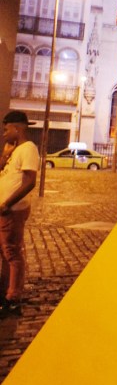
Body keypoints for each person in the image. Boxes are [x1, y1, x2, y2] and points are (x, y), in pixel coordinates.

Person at [0, 110, 39, 317]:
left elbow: (30, 181)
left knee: (12, 254)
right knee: (5, 254)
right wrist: (5, 155)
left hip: (13, 210)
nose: (4, 134)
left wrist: (8, 203)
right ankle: (5, 292)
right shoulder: (15, 151)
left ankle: (13, 298)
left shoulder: (28, 149)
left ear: (17, 128)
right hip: (5, 210)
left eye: (7, 130)